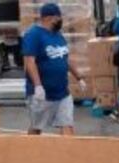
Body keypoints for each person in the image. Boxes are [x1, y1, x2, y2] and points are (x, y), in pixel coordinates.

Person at [23, 2, 86, 135]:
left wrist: (79, 77)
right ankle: (28, 150)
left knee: (67, 124)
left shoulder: (58, 36)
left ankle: (67, 154)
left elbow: (64, 58)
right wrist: (38, 86)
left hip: (62, 92)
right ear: (48, 18)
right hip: (43, 93)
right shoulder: (34, 35)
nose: (60, 20)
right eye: (58, 17)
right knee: (36, 127)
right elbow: (30, 61)